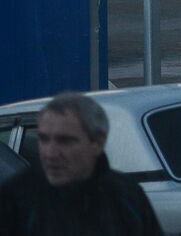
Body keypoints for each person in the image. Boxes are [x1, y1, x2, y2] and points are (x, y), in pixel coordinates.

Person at [0, 91, 164, 235]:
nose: (51, 153)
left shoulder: (126, 197)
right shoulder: (17, 199)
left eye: (65, 141)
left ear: (97, 143)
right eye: (43, 139)